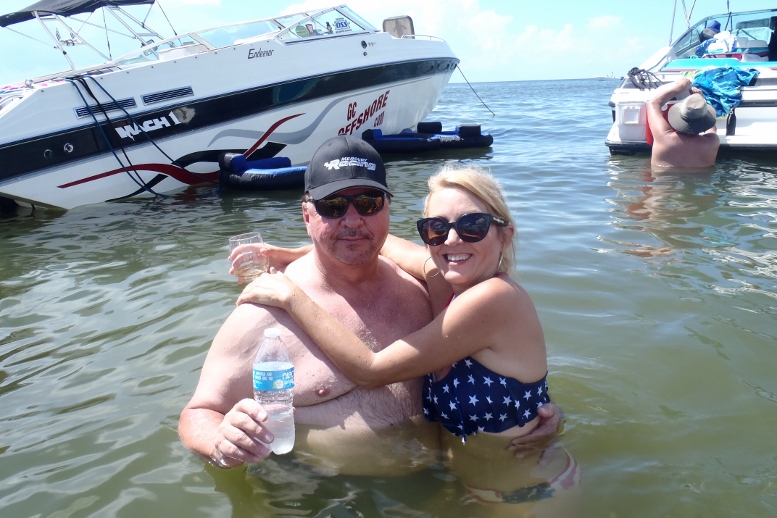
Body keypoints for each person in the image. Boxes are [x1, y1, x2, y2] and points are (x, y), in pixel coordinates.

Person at [178, 136, 560, 477]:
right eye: (332, 206)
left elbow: (496, 363)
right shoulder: (264, 312)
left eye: (368, 203)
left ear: (387, 210)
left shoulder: (430, 286)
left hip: (452, 482)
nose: (352, 220)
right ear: (307, 214)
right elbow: (199, 412)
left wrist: (534, 408)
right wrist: (221, 441)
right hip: (330, 496)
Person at [237, 164, 581, 509]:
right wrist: (300, 253)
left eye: (472, 226)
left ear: (504, 236)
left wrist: (292, 297)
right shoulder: (447, 280)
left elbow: (371, 370)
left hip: (526, 495)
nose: (452, 240)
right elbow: (383, 243)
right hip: (470, 489)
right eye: (436, 228)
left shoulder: (493, 298)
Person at [647, 77, 719, 169]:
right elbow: (711, 125)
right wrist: (700, 100)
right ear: (705, 119)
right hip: (700, 177)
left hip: (664, 178)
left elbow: (653, 103)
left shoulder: (663, 138)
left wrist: (680, 87)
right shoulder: (712, 142)